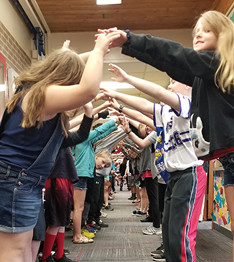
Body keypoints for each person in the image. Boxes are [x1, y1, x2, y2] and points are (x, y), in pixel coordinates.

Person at [100, 12, 234, 259]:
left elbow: (175, 55)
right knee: (172, 236)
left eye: (206, 30)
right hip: (225, 161)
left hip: (196, 169)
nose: (198, 35)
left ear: (223, 35)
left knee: (179, 238)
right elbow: (169, 64)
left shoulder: (216, 64)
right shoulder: (205, 76)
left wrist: (129, 40)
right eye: (196, 32)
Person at [0, 32, 120, 262]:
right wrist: (98, 49)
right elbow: (88, 90)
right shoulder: (42, 94)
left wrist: (98, 51)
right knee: (14, 251)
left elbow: (67, 67)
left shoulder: (34, 91)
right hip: (16, 180)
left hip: (21, 180)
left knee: (23, 250)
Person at [103, 64, 207, 262]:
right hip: (175, 176)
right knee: (169, 236)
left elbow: (155, 93)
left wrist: (127, 80)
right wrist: (118, 105)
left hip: (190, 174)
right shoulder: (167, 113)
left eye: (174, 82)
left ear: (189, 86)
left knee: (181, 238)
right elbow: (143, 109)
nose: (169, 87)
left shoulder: (188, 104)